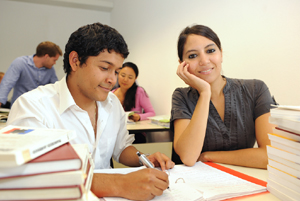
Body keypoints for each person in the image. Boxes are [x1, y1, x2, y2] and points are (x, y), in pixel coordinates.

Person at [7, 22, 174, 200]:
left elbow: (121, 148)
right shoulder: (33, 106)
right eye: (104, 68)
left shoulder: (112, 103)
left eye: (116, 71)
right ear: (75, 61)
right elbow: (28, 178)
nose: (112, 79)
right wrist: (119, 184)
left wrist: (145, 159)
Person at [171, 24, 274, 169]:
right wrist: (205, 93)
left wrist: (209, 156)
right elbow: (188, 157)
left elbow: (272, 156)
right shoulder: (181, 96)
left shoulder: (256, 90)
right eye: (193, 55)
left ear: (221, 54)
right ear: (182, 65)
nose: (204, 61)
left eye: (210, 51)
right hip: (200, 185)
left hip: (248, 181)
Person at [0, 41, 62, 108]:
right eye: (54, 60)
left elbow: (56, 89)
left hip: (39, 108)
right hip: (20, 107)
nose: (55, 63)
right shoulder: (20, 63)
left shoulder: (50, 70)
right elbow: (7, 84)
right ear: (46, 56)